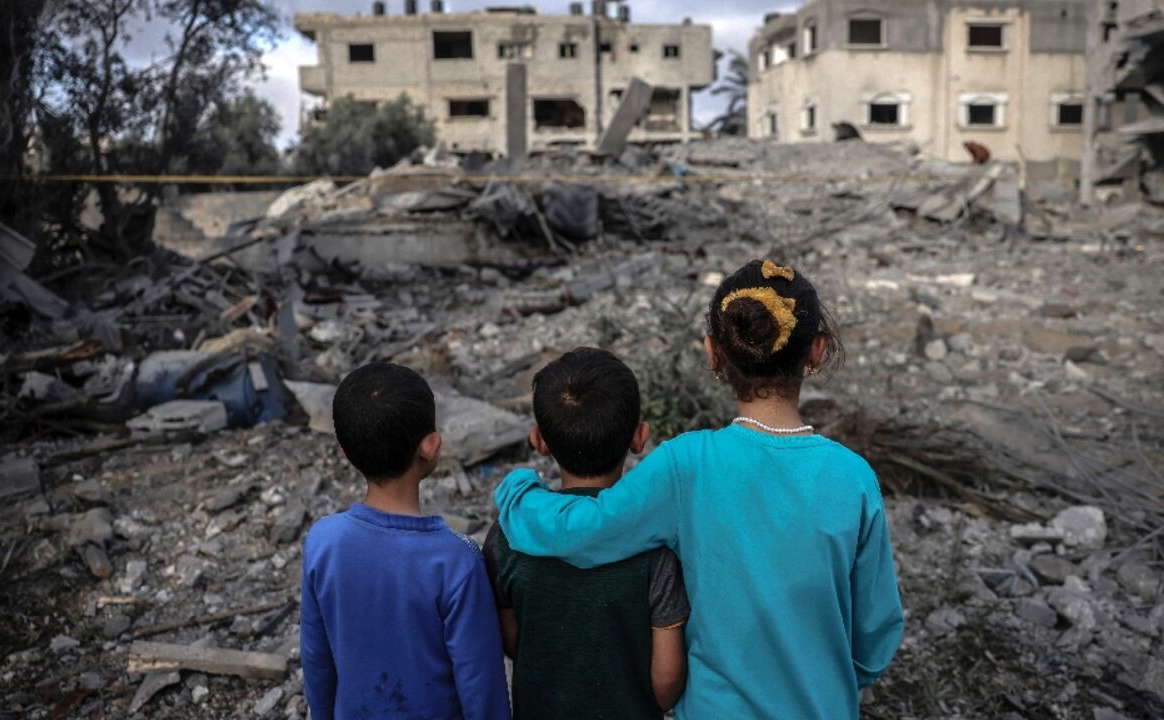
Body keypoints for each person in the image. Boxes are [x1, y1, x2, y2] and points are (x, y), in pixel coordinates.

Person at [495, 260, 904, 719]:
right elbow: (875, 635)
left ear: (713, 353)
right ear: (815, 351)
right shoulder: (853, 477)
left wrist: (516, 493)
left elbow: (585, 530)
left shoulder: (686, 464)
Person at [483, 348, 689, 720]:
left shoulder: (508, 534)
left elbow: (514, 640)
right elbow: (666, 683)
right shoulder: (656, 547)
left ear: (539, 440)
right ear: (639, 438)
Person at [301, 362, 510, 720]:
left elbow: (316, 657)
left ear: (344, 451)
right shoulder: (457, 560)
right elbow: (480, 683)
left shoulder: (324, 541)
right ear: (431, 446)